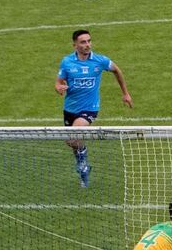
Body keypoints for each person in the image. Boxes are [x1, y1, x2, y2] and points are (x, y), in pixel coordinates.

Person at [55, 29, 132, 187]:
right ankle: (83, 165)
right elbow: (59, 82)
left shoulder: (100, 60)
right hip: (70, 108)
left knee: (72, 138)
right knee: (73, 143)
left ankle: (82, 162)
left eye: (89, 41)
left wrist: (125, 93)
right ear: (75, 45)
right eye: (83, 42)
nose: (87, 45)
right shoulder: (67, 62)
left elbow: (117, 70)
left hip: (89, 109)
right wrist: (59, 88)